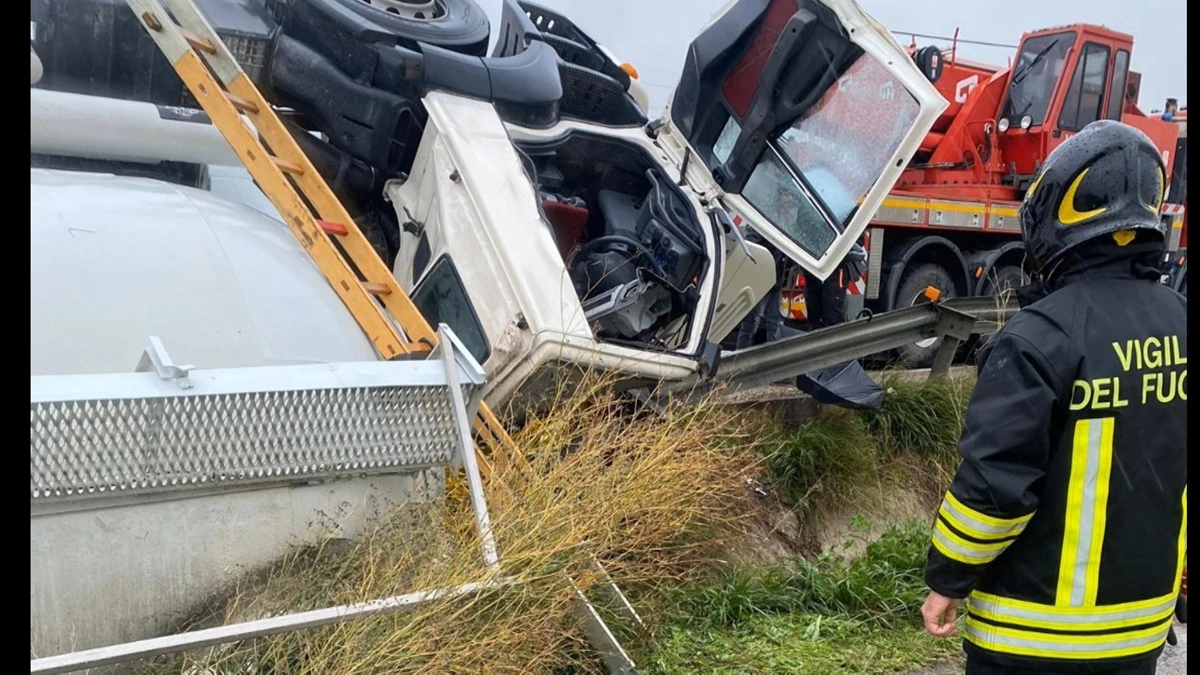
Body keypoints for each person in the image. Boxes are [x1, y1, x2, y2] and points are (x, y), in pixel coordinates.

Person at [920, 120, 1187, 674]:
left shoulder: (1039, 337)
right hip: (1139, 632)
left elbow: (994, 489)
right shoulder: (1182, 324)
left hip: (1031, 637)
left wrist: (947, 577)